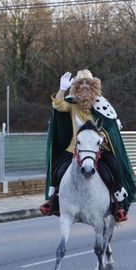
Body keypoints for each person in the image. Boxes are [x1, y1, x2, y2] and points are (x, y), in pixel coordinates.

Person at [40, 69, 136, 222]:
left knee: (114, 167)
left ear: (93, 86)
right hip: (75, 148)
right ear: (76, 86)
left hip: (98, 148)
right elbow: (58, 105)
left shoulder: (102, 105)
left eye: (87, 83)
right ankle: (53, 200)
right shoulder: (72, 104)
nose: (84, 85)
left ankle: (118, 204)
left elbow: (110, 127)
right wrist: (62, 89)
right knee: (57, 167)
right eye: (81, 83)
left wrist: (103, 136)